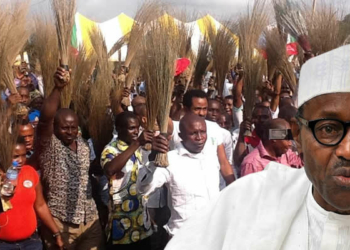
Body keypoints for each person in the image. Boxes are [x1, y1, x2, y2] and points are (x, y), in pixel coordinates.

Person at [165, 45, 350, 250]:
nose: (347, 150)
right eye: (329, 129)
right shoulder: (251, 196)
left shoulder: (279, 150)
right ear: (298, 134)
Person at [35, 67, 103, 250]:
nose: (70, 132)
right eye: (65, 128)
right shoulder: (50, 147)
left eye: (74, 127)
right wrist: (58, 88)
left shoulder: (81, 144)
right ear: (55, 128)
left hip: (90, 220)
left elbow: (87, 170)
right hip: (61, 223)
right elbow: (45, 120)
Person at [137, 114, 220, 237]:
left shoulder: (211, 158)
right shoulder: (170, 160)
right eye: (193, 133)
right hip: (183, 237)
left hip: (212, 233)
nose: (199, 137)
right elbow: (143, 189)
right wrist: (153, 159)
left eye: (203, 132)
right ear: (181, 136)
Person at [101, 111, 153, 250]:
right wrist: (137, 143)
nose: (136, 131)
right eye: (131, 128)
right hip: (122, 224)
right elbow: (110, 170)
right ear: (118, 129)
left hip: (141, 222)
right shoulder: (111, 149)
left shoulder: (137, 147)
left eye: (137, 127)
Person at [0, 137, 64, 250]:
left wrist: (56, 233)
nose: (20, 160)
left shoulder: (30, 172)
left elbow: (40, 205)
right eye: (15, 156)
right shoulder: (1, 178)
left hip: (31, 243)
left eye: (24, 155)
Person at [171, 90, 235, 185]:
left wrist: (233, 187)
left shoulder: (214, 128)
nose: (202, 113)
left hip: (212, 192)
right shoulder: (175, 127)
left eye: (205, 109)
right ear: (185, 109)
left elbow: (224, 163)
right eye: (197, 109)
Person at [233, 104, 272, 173]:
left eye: (265, 117)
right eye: (257, 117)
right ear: (253, 120)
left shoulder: (278, 131)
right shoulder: (248, 137)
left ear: (271, 118)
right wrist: (241, 134)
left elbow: (293, 146)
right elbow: (238, 162)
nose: (261, 120)